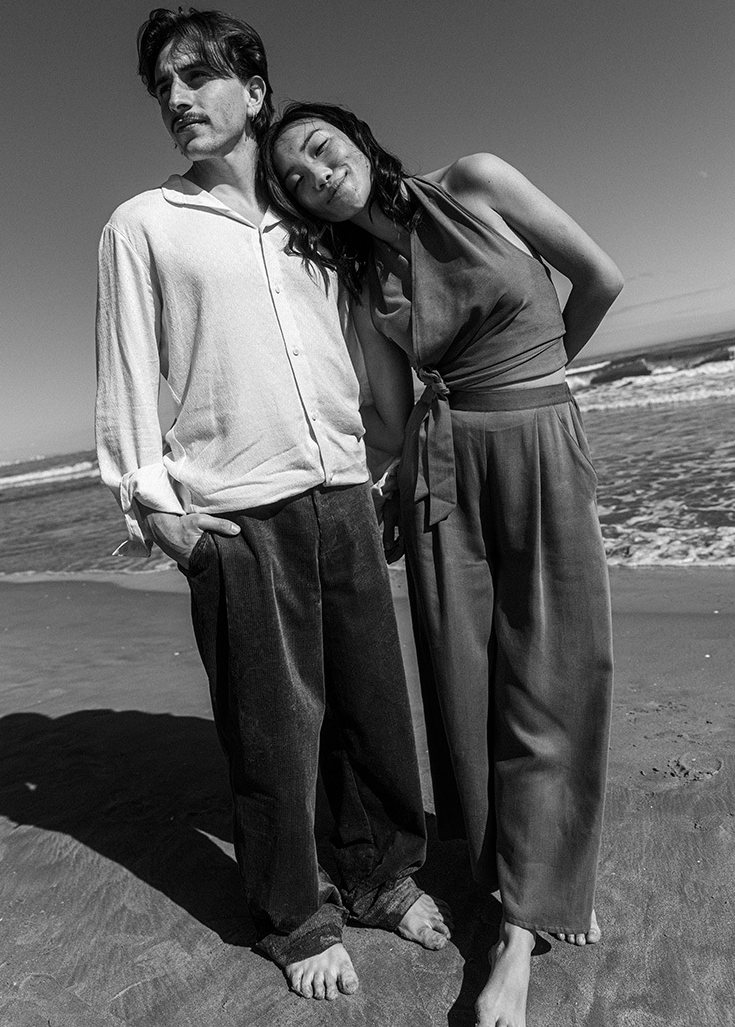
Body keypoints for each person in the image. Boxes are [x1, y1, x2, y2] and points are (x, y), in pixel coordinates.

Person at [94, 11, 451, 1001]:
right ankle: (296, 917)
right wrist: (154, 509)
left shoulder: (311, 226)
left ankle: (380, 876)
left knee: (371, 712)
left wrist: (378, 461)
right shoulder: (143, 224)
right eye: (163, 84)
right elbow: (126, 373)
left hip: (340, 491)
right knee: (272, 734)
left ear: (254, 89)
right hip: (237, 516)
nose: (176, 98)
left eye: (198, 75)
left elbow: (365, 340)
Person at [265, 101, 623, 1027]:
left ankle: (522, 927)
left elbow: (600, 278)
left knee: (555, 673)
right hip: (440, 470)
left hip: (539, 445)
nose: (315, 173)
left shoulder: (478, 181)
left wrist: (535, 384)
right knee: (468, 689)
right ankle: (515, 889)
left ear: (356, 135)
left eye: (318, 148)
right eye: (295, 182)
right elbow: (384, 418)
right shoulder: (363, 282)